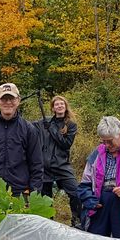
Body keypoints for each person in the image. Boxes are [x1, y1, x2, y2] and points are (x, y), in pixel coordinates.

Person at [0, 82, 43, 195]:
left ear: (18, 100)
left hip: (20, 192)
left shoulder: (29, 129)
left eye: (12, 98)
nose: (8, 102)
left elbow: (36, 164)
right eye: (4, 99)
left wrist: (34, 192)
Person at [35, 95, 82, 227]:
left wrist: (51, 129)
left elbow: (66, 144)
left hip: (62, 165)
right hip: (45, 166)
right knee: (45, 198)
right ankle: (48, 224)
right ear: (53, 108)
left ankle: (77, 221)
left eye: (62, 104)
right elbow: (28, 128)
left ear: (65, 106)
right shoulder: (44, 122)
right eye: (57, 104)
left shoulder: (71, 125)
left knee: (75, 192)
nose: (59, 106)